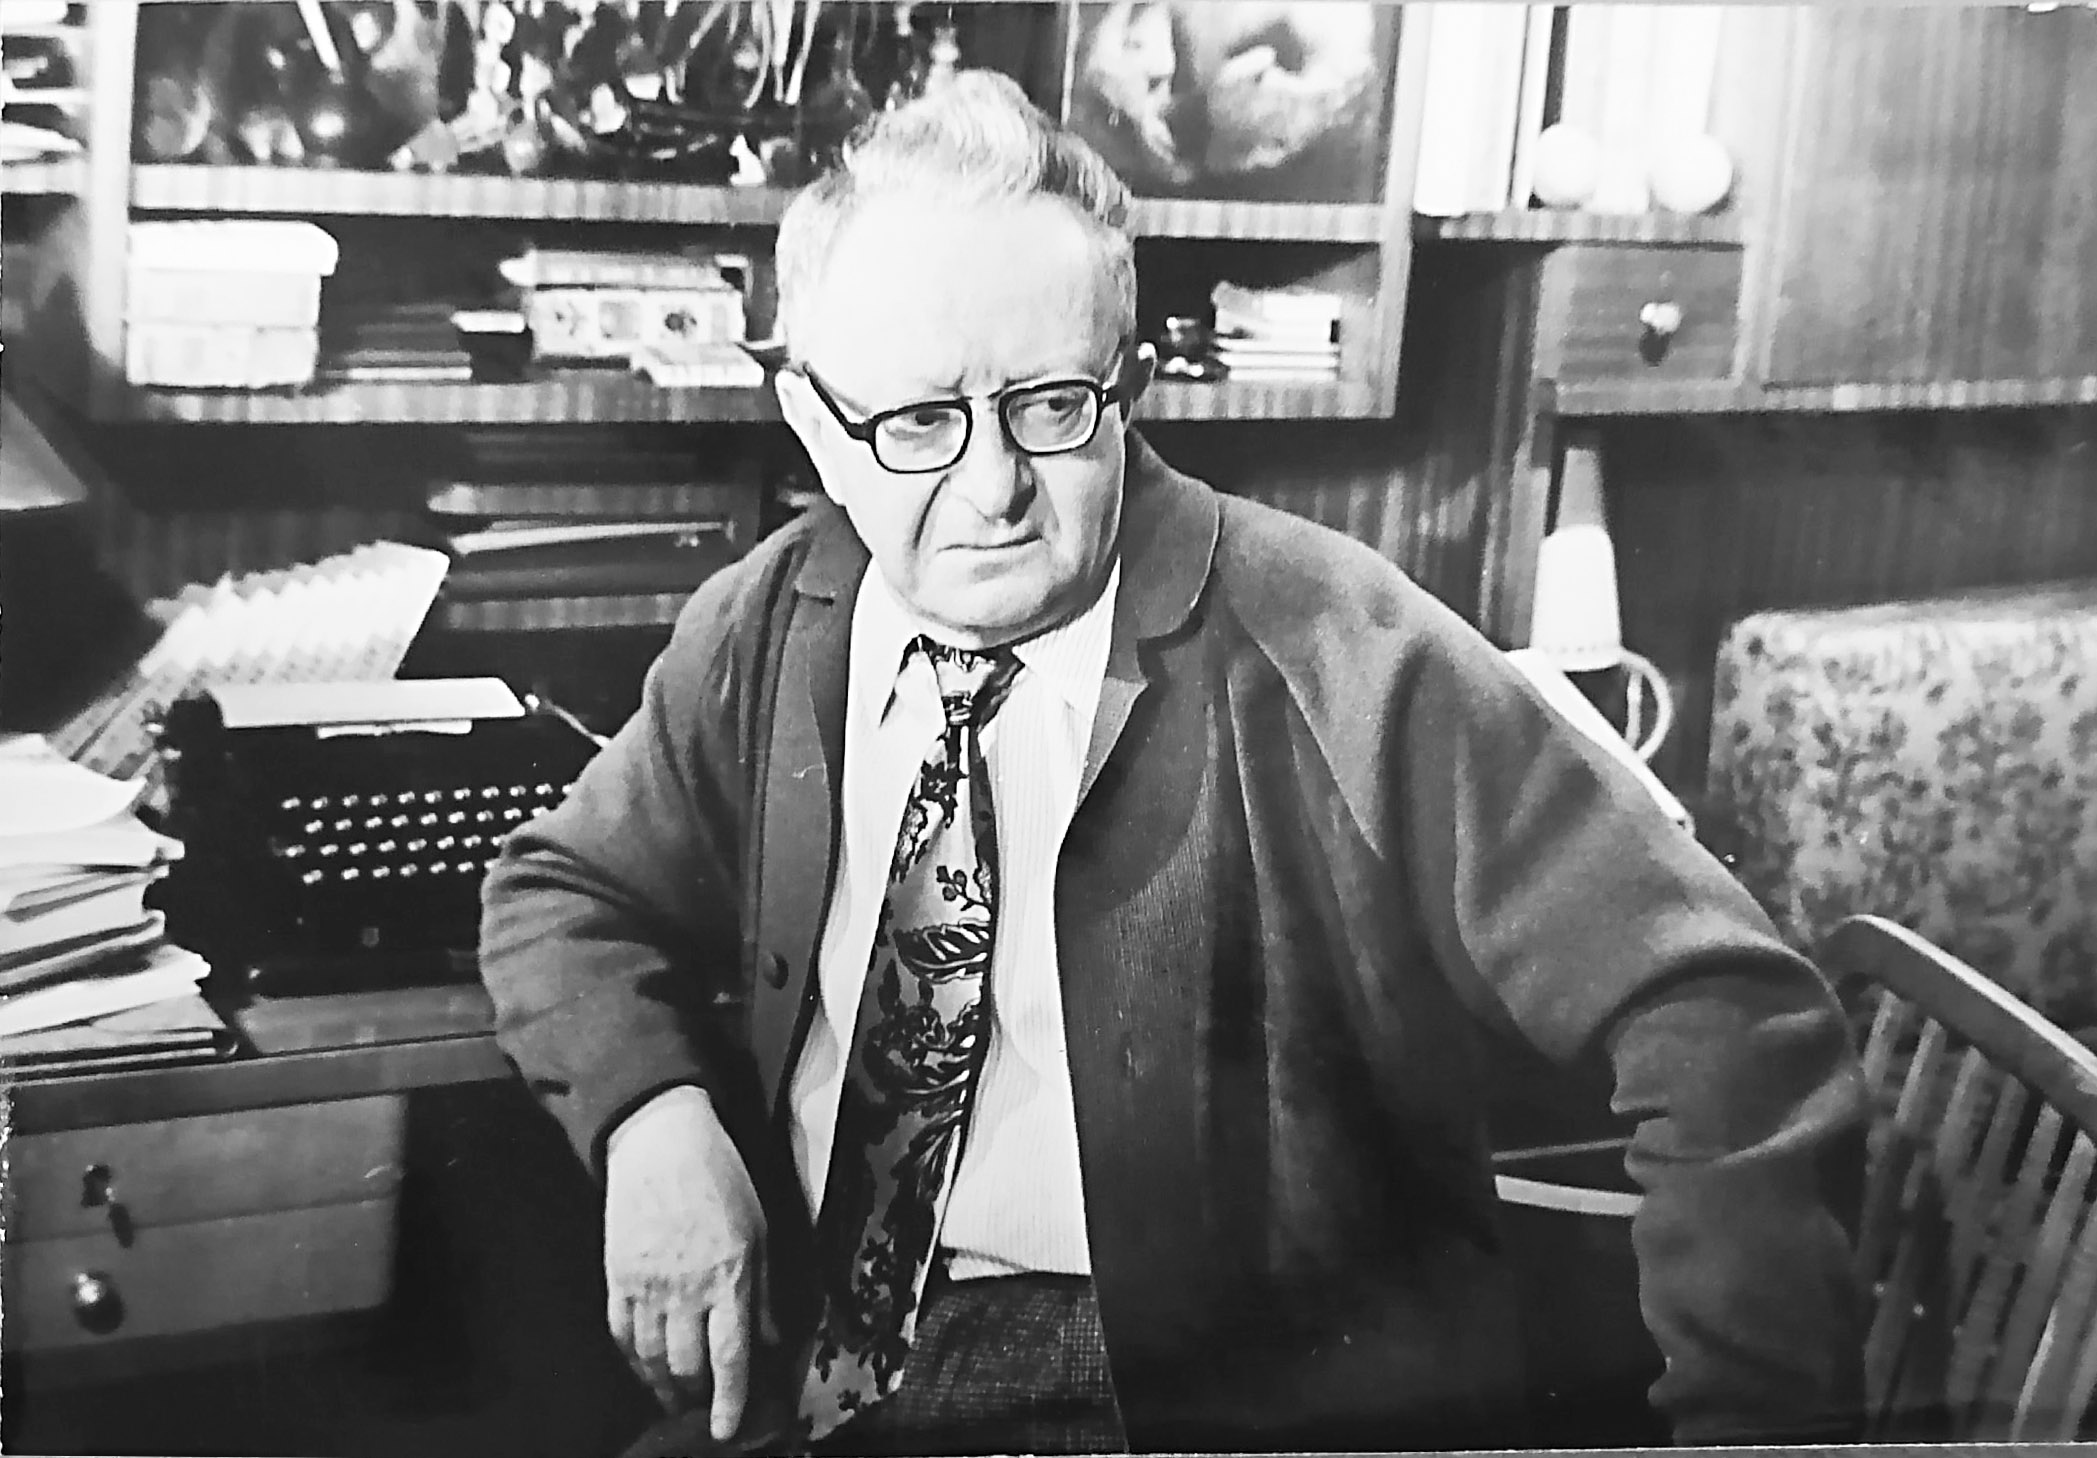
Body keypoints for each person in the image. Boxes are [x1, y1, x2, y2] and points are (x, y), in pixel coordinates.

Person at [479, 68, 1865, 1458]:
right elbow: (561, 891)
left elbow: (1730, 1016)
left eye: (1050, 406)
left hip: (1217, 1411)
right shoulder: (771, 623)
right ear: (812, 428)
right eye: (916, 422)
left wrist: (1747, 1435)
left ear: (1129, 391)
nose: (990, 487)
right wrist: (653, 1119)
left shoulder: (1340, 646)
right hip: (832, 1356)